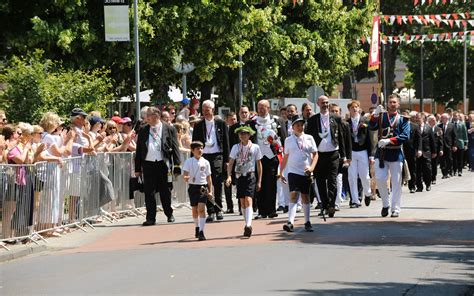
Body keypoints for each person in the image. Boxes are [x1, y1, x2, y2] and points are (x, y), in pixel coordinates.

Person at [135, 106, 181, 226]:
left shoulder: (169, 128)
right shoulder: (143, 129)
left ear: (156, 116)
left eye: (148, 116)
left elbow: (175, 147)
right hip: (148, 163)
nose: (146, 118)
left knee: (165, 190)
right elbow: (139, 149)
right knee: (149, 192)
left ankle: (169, 213)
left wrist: (177, 165)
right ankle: (150, 217)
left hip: (163, 163)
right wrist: (137, 168)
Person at [305, 95, 348, 218]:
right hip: (319, 155)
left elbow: (341, 138)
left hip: (333, 154)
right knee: (320, 181)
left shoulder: (336, 118)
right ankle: (324, 204)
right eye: (323, 102)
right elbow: (309, 138)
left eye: (327, 102)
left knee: (332, 180)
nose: (325, 104)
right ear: (318, 104)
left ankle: (331, 205)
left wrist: (344, 156)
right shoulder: (313, 120)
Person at [368, 95, 410, 218]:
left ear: (398, 104)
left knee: (396, 182)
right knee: (380, 179)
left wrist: (389, 140)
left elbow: (405, 136)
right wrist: (374, 115)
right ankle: (385, 204)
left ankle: (395, 208)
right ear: (387, 104)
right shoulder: (381, 116)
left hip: (396, 153)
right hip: (381, 153)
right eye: (390, 102)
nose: (392, 104)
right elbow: (371, 127)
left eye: (394, 102)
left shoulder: (403, 119)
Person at [248, 99, 288, 219]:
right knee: (259, 183)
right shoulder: (252, 122)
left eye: (263, 107)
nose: (261, 109)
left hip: (272, 156)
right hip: (258, 157)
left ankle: (271, 209)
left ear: (268, 108)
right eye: (259, 107)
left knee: (271, 183)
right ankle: (261, 210)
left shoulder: (277, 120)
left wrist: (283, 154)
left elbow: (284, 137)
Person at [192, 100, 229, 222]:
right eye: (203, 110)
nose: (205, 112)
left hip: (217, 155)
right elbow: (194, 143)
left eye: (208, 110)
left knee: (217, 182)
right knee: (205, 183)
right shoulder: (198, 125)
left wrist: (227, 160)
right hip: (203, 156)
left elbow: (226, 142)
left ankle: (218, 208)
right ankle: (210, 210)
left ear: (213, 110)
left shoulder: (221, 123)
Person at [280, 116, 318, 232]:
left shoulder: (309, 138)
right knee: (294, 194)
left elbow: (315, 154)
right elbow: (285, 157)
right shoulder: (288, 140)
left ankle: (307, 221)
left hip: (305, 171)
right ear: (293, 127)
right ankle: (290, 222)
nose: (300, 127)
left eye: (302, 125)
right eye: (298, 125)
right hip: (293, 171)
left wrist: (311, 168)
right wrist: (281, 171)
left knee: (305, 197)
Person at [225, 126, 263, 237]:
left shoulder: (255, 147)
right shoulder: (235, 147)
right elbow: (231, 163)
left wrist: (259, 180)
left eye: (245, 133)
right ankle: (246, 223)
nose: (243, 135)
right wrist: (229, 176)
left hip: (250, 176)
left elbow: (259, 165)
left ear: (250, 135)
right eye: (241, 134)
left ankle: (248, 225)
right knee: (242, 201)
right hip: (239, 176)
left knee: (248, 198)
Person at [183, 141, 213, 241]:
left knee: (201, 209)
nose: (200, 150)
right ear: (192, 150)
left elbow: (209, 178)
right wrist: (186, 177)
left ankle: (201, 231)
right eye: (197, 149)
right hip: (192, 187)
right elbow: (185, 173)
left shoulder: (206, 162)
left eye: (201, 148)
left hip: (202, 188)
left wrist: (210, 191)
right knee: (195, 210)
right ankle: (197, 226)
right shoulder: (189, 161)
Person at [346, 100, 373, 207]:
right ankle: (355, 200)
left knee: (364, 175)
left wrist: (371, 155)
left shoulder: (365, 121)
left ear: (359, 108)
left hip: (363, 151)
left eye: (356, 107)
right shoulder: (347, 123)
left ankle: (367, 193)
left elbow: (370, 139)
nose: (354, 109)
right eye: (352, 107)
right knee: (351, 177)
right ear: (349, 109)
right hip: (351, 151)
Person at [415, 112, 436, 192]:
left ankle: (428, 184)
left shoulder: (428, 128)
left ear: (423, 119)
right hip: (417, 152)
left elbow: (432, 140)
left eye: (418, 118)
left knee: (427, 169)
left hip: (427, 152)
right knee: (418, 170)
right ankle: (419, 186)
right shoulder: (415, 127)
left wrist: (434, 151)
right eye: (416, 118)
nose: (417, 119)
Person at [403, 112, 422, 193]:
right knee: (399, 169)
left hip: (411, 151)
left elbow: (419, 139)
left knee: (412, 169)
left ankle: (412, 186)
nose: (405, 118)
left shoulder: (415, 126)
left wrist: (419, 149)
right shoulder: (399, 125)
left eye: (406, 116)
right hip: (401, 150)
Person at [224, 112, 238, 213]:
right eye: (231, 119)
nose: (233, 121)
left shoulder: (238, 130)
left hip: (238, 160)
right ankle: (230, 206)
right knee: (227, 183)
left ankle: (242, 204)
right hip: (227, 160)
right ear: (227, 120)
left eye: (235, 119)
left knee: (239, 182)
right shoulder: (225, 129)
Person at [438, 113, 457, 179]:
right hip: (441, 146)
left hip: (449, 145)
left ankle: (449, 171)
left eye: (443, 118)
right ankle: (444, 173)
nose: (442, 119)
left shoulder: (452, 125)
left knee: (449, 159)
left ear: (447, 118)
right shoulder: (439, 126)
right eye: (442, 118)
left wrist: (454, 145)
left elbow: (455, 136)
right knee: (442, 160)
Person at [427, 115, 444, 184]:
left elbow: (441, 140)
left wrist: (441, 149)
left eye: (435, 120)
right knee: (427, 165)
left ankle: (433, 178)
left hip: (435, 150)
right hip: (427, 149)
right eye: (432, 120)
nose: (434, 121)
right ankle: (428, 177)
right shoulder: (426, 128)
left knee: (434, 165)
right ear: (429, 121)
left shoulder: (438, 129)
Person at [452, 111, 468, 177]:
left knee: (460, 158)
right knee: (454, 158)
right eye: (454, 116)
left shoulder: (462, 124)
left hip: (460, 143)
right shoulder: (451, 124)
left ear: (458, 116)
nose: (455, 117)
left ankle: (460, 171)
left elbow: (465, 134)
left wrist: (466, 144)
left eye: (456, 116)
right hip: (453, 144)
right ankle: (455, 170)